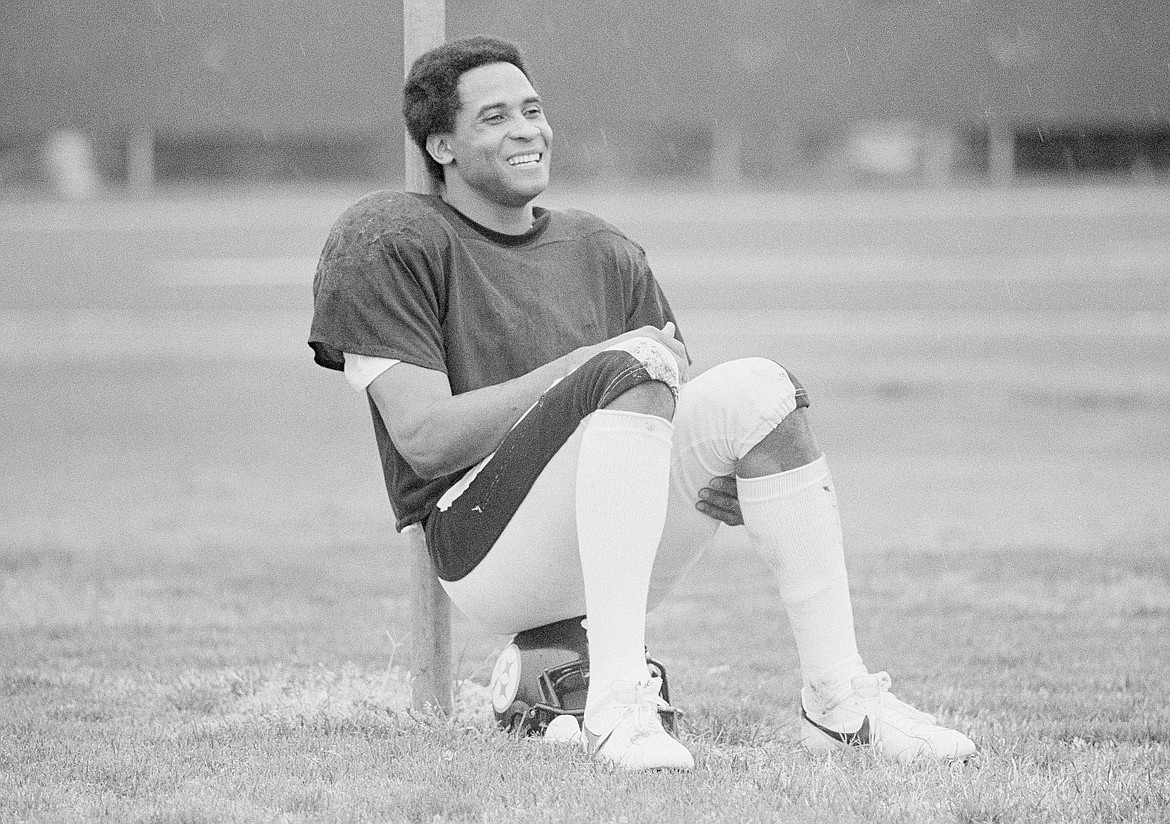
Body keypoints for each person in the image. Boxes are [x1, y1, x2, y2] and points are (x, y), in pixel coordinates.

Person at [309, 35, 976, 771]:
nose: (527, 129)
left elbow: (666, 403)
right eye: (494, 118)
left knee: (762, 391)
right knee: (634, 358)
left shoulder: (601, 247)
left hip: (619, 536)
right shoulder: (389, 237)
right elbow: (426, 439)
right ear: (441, 145)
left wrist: (719, 466)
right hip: (483, 546)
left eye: (533, 110)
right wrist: (587, 367)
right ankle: (619, 704)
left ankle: (841, 702)